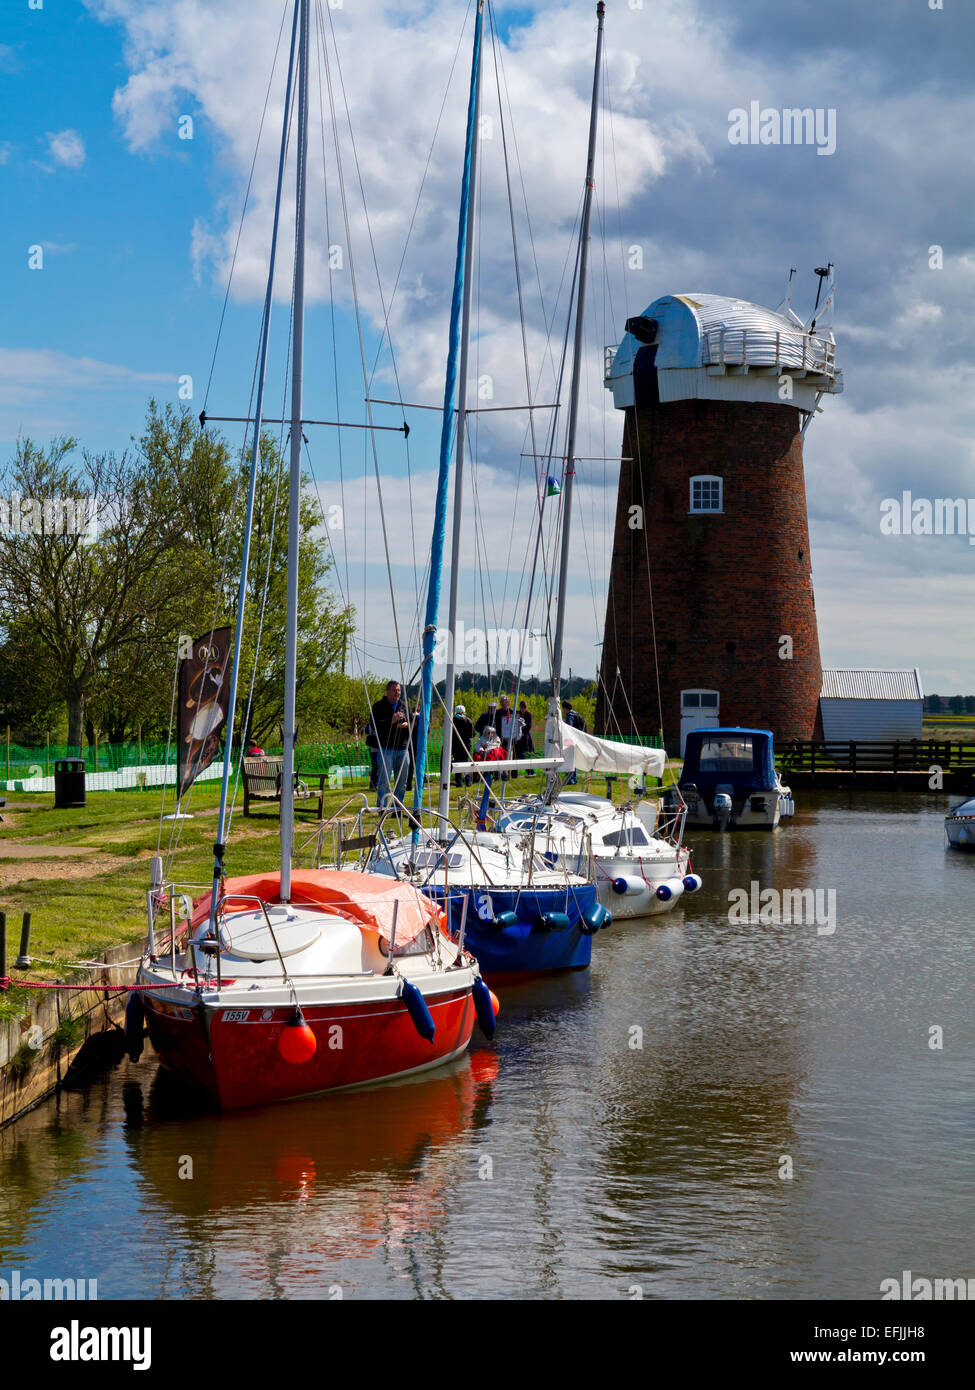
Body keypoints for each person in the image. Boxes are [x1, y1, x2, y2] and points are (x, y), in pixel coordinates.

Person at [370, 679, 410, 808]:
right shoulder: (378, 706)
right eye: (394, 690)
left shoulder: (403, 705)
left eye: (398, 690)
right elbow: (374, 725)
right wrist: (391, 720)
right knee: (384, 781)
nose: (397, 693)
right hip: (386, 748)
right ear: (387, 692)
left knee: (402, 781)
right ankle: (382, 807)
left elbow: (411, 721)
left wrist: (407, 724)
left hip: (402, 748)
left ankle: (397, 808)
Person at [562, 699, 587, 785]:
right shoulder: (578, 715)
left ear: (565, 708)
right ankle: (574, 779)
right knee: (574, 760)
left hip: (571, 740)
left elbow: (569, 727)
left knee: (569, 760)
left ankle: (570, 779)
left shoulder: (570, 715)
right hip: (579, 740)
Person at [451, 704, 475, 787]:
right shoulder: (468, 720)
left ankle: (459, 782)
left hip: (455, 745)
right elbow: (473, 734)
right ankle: (468, 781)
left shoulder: (452, 720)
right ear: (464, 711)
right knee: (466, 762)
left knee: (457, 762)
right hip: (466, 744)